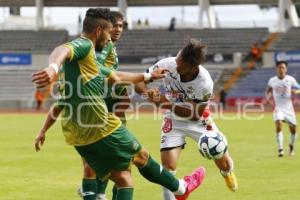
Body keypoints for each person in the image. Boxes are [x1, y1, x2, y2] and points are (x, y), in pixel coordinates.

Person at [33, 8, 205, 200]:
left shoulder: (83, 65)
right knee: (142, 157)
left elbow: (114, 77)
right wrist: (52, 67)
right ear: (98, 30)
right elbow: (62, 49)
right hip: (100, 126)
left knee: (123, 178)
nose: (109, 38)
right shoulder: (84, 45)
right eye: (108, 31)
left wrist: (149, 76)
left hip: (75, 135)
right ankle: (181, 188)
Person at [135, 39, 238, 200]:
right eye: (177, 61)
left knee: (222, 160)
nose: (176, 67)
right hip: (173, 119)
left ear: (193, 67)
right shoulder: (168, 64)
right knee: (168, 168)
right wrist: (148, 92)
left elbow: (195, 114)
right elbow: (139, 81)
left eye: (181, 65)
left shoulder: (204, 83)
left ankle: (227, 172)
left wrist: (164, 103)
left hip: (199, 121)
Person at [265, 60, 300, 157]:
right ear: (276, 69)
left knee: (293, 129)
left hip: (289, 109)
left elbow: (299, 88)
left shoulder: (290, 79)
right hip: (278, 108)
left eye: (283, 67)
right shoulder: (272, 80)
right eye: (279, 67)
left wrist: (296, 92)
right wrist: (267, 97)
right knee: (278, 124)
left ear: (286, 69)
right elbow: (268, 90)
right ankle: (280, 150)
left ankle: (291, 146)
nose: (281, 69)